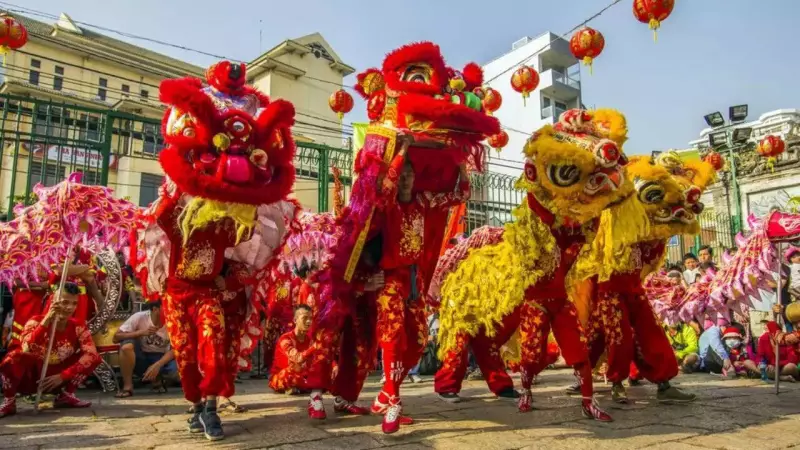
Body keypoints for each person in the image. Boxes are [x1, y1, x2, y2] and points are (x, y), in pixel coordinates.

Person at [371, 146, 471, 433]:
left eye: (409, 174)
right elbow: (386, 184)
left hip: (415, 279)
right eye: (401, 174)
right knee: (391, 335)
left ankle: (385, 394)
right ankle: (393, 402)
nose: (404, 180)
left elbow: (460, 196)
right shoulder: (386, 202)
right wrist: (400, 150)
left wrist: (463, 167)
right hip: (389, 278)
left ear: (416, 178)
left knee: (417, 341)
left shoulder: (424, 201)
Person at [0, 282, 101, 418]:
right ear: (53, 301)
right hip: (33, 376)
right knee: (12, 358)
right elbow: (26, 347)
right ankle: (9, 401)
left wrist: (63, 376)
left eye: (74, 303)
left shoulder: (78, 326)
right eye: (64, 302)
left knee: (93, 358)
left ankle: (66, 395)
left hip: (58, 375)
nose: (69, 308)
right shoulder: (35, 321)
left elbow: (92, 355)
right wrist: (46, 321)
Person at [113, 300, 176, 397]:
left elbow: (177, 348)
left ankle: (159, 379)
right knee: (126, 346)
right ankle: (127, 387)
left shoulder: (174, 320)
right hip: (142, 356)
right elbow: (116, 337)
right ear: (155, 309)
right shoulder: (139, 317)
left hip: (163, 358)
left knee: (178, 369)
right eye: (167, 307)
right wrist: (140, 332)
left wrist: (158, 364)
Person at [269, 305, 322, 402]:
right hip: (285, 375)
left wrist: (334, 366)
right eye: (305, 318)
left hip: (303, 374)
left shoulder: (310, 340)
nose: (309, 322)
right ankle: (304, 386)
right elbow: (297, 358)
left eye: (310, 318)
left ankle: (302, 386)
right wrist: (314, 347)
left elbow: (319, 357)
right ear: (295, 320)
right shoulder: (285, 339)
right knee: (291, 372)